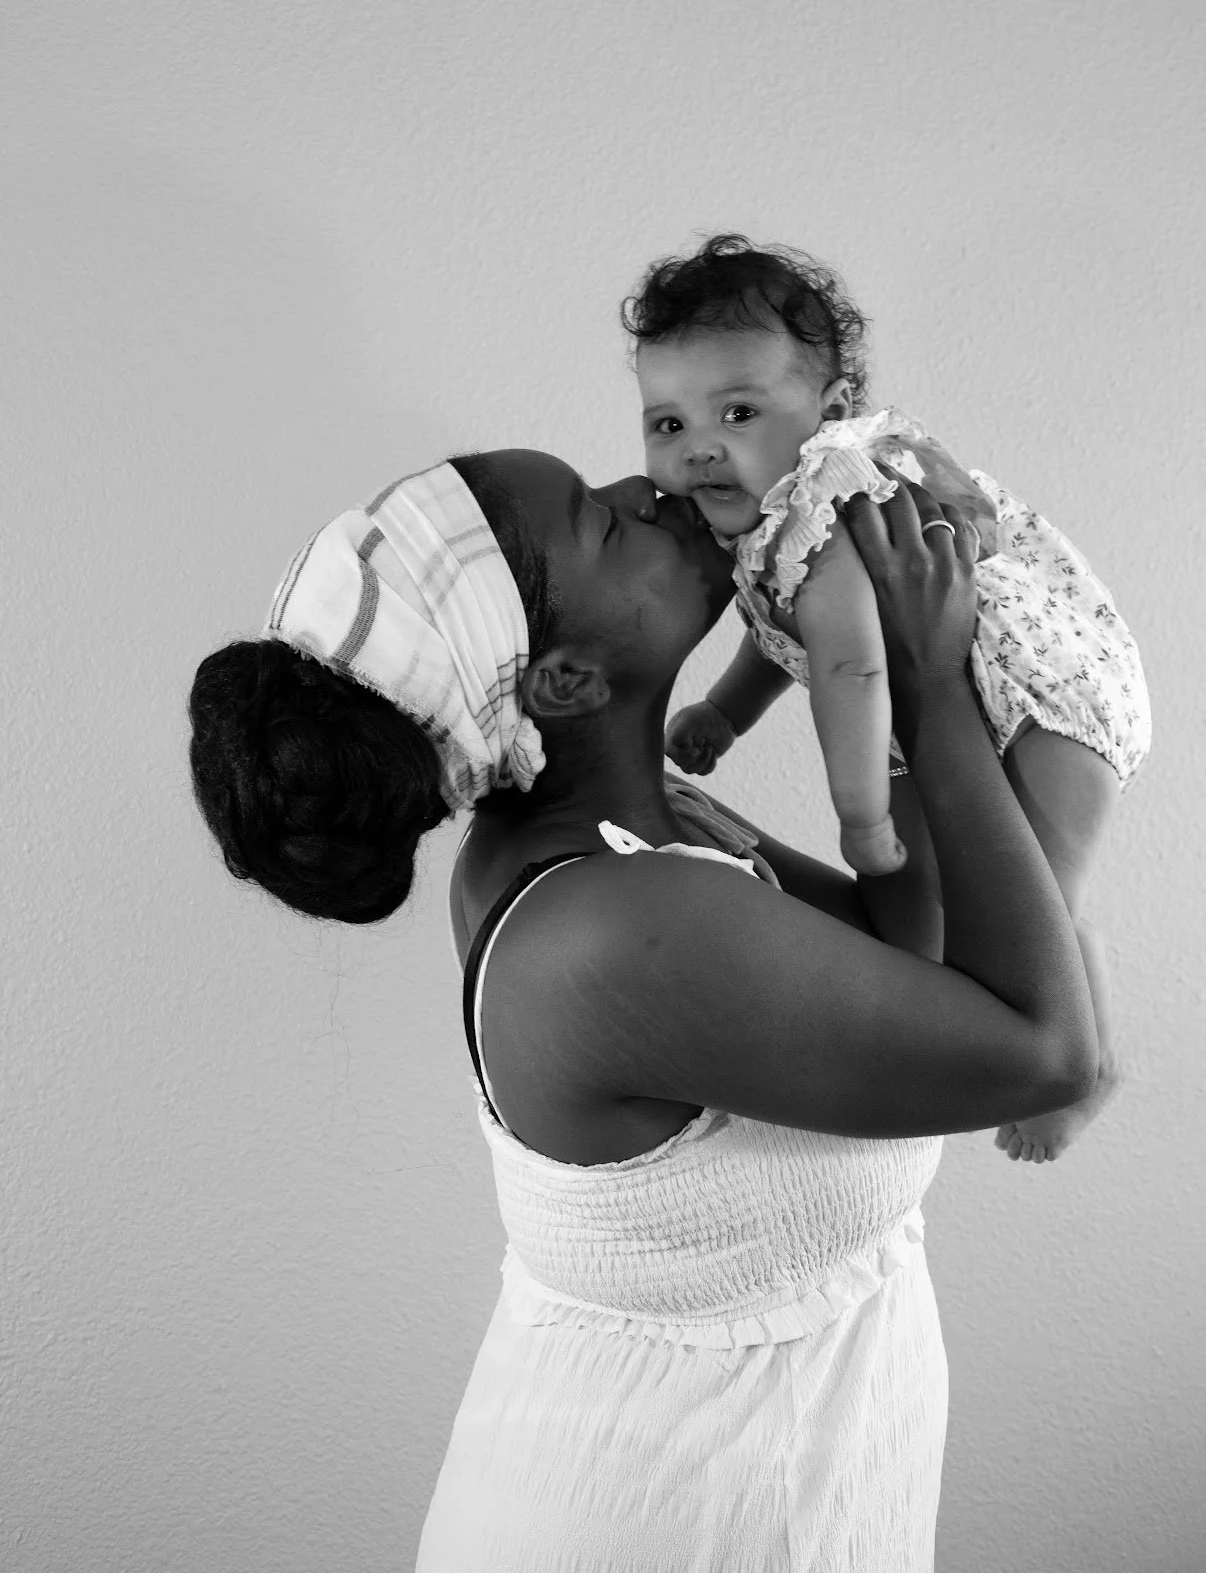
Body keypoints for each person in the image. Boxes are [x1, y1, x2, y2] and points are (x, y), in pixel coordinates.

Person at [188, 445, 1098, 1571]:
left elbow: (914, 947)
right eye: (606, 524)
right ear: (565, 682)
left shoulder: (638, 824)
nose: (651, 490)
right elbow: (1045, 1053)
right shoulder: (615, 927)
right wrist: (930, 679)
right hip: (661, 1521)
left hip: (752, 1492)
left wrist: (867, 639)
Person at [631, 234, 1150, 1164]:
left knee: (1030, 903)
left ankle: (1088, 1062)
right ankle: (927, 1034)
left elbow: (852, 671)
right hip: (939, 716)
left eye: (738, 410)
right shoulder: (770, 528)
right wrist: (726, 711)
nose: (699, 447)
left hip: (1040, 702)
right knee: (916, 927)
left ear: (830, 411)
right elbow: (780, 633)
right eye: (667, 424)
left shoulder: (833, 504)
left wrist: (861, 818)